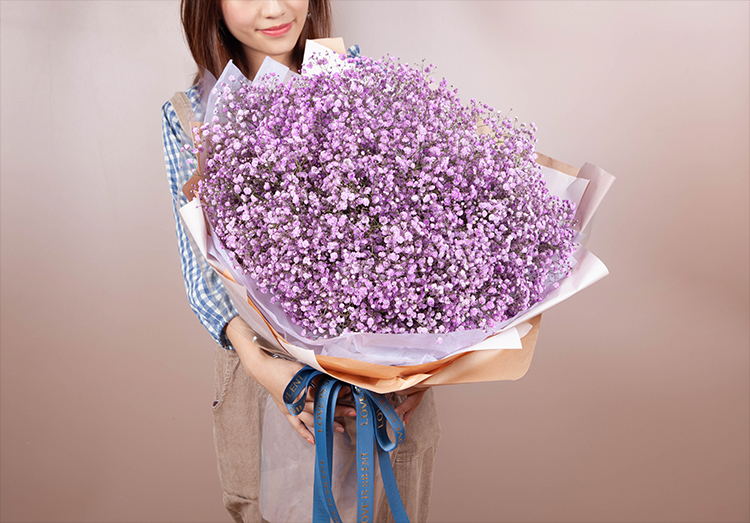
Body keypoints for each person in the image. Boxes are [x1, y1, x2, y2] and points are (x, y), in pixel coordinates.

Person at [161, 1, 442, 521]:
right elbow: (201, 271)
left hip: (387, 380)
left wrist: (423, 368)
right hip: (265, 369)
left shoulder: (361, 83)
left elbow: (430, 231)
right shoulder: (191, 115)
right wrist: (265, 368)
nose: (274, 8)